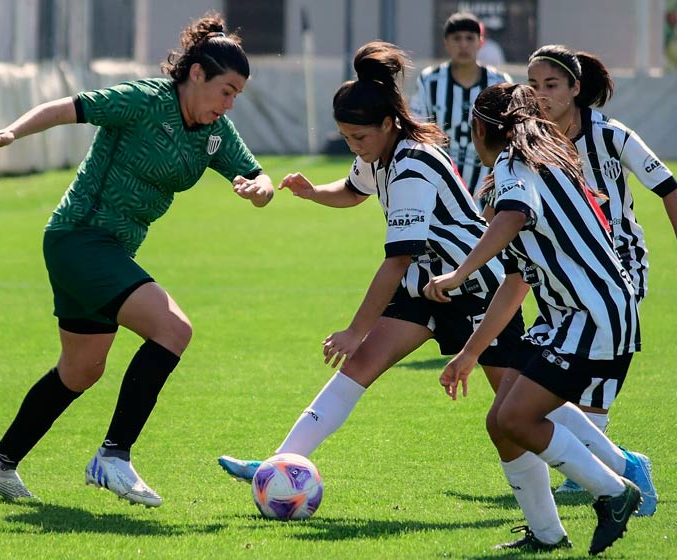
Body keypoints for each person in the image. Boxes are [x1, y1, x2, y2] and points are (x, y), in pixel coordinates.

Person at [0, 13, 274, 506]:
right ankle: (114, 457)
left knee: (81, 370)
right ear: (197, 74)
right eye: (226, 90)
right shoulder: (146, 100)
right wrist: (10, 132)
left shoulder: (214, 132)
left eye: (237, 94)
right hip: (80, 240)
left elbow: (260, 177)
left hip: (104, 252)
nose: (230, 102)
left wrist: (258, 188)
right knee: (174, 330)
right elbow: (69, 107)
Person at [218, 41, 525, 483]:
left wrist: (355, 329)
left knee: (515, 408)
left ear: (388, 123)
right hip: (428, 284)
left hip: (475, 285)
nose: (353, 147)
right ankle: (277, 465)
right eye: (345, 138)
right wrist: (312, 192)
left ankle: (612, 464)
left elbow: (397, 260)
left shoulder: (412, 162)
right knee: (360, 365)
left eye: (359, 138)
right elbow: (353, 190)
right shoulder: (380, 152)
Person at [423, 83, 643, 555]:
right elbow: (517, 281)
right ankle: (547, 534)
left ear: (480, 129)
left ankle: (616, 489)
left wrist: (460, 272)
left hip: (592, 316)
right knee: (501, 422)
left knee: (518, 419)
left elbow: (515, 213)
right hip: (575, 315)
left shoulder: (513, 164)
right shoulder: (541, 163)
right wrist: (470, 353)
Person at [527, 45, 677, 500]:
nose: (541, 95)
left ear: (575, 88)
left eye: (551, 85)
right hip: (562, 269)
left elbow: (666, 185)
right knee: (553, 365)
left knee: (592, 363)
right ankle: (603, 462)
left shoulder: (611, 135)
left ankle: (600, 470)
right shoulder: (532, 139)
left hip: (618, 264)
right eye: (534, 86)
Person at [409, 11, 511, 204]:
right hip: (439, 184)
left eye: (469, 38)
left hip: (487, 188)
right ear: (446, 42)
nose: (463, 44)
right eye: (457, 38)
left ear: (480, 42)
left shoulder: (499, 82)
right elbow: (417, 128)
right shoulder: (430, 80)